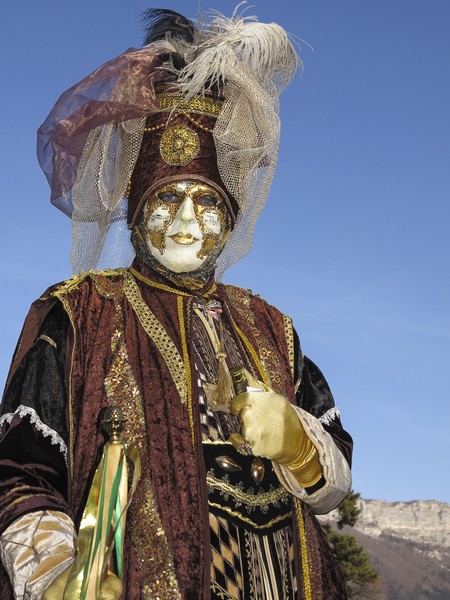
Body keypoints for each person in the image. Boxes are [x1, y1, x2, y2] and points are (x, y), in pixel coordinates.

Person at [0, 8, 353, 599]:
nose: (186, 221)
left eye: (205, 201)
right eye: (167, 198)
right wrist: (58, 575)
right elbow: (20, 469)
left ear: (231, 214)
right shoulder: (79, 314)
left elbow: (335, 483)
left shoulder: (273, 328)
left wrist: (300, 443)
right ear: (136, 210)